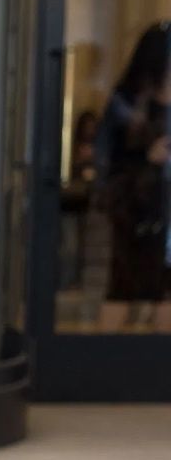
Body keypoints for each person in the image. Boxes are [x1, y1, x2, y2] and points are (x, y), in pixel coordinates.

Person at [95, 21, 171, 323]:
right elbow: (108, 162)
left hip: (163, 209)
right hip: (137, 210)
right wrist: (148, 159)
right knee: (124, 288)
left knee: (164, 291)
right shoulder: (126, 105)